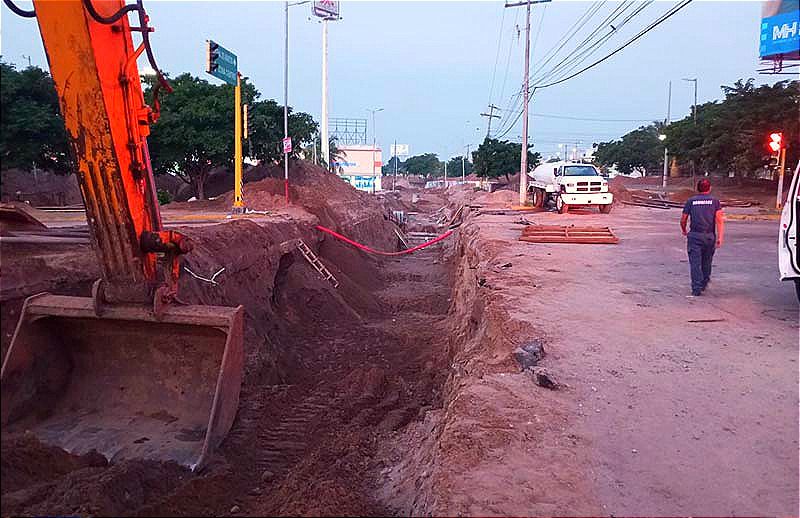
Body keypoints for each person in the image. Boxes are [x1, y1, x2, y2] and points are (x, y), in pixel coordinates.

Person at [680, 179, 725, 296]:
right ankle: (704, 282)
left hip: (694, 235)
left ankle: (696, 288)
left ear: (697, 189)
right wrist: (720, 237)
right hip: (709, 236)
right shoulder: (715, 202)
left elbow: (683, 219)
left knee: (695, 263)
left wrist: (684, 230)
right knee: (707, 261)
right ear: (709, 188)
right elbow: (719, 220)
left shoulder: (691, 201)